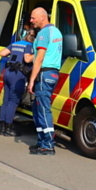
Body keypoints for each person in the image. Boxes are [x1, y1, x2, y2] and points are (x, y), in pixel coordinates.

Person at [27, 8, 62, 156]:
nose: (31, 20)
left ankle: (47, 144)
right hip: (52, 73)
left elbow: (39, 58)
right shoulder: (56, 31)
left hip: (44, 73)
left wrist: (31, 80)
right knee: (37, 109)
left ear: (42, 17)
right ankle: (42, 141)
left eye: (33, 18)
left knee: (42, 109)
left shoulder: (43, 34)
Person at [0, 27, 35, 136]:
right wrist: (39, 54)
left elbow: (2, 53)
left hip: (8, 72)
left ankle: (2, 127)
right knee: (13, 102)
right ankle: (9, 128)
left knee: (6, 100)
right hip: (17, 75)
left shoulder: (16, 43)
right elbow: (27, 59)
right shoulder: (29, 46)